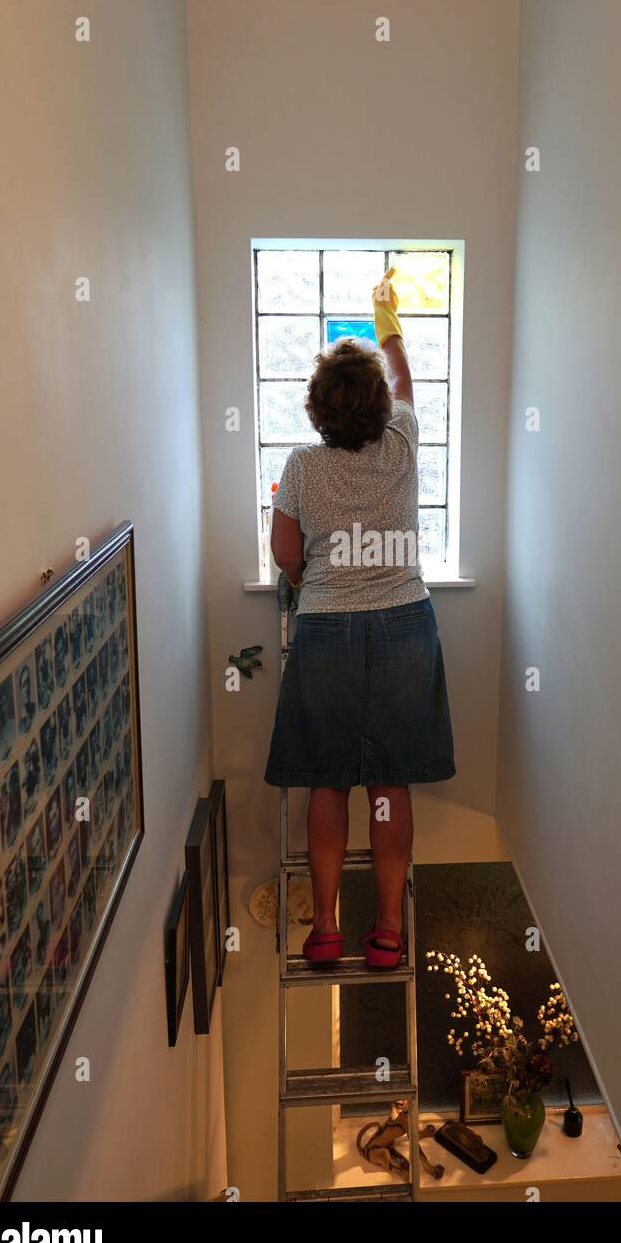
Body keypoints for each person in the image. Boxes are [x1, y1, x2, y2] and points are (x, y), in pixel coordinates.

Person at [265, 269, 456, 969]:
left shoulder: (301, 467)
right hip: (406, 627)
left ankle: (323, 927)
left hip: (327, 635)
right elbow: (406, 383)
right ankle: (386, 929)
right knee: (388, 783)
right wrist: (386, 321)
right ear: (377, 406)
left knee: (327, 779)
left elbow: (286, 553)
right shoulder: (402, 440)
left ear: (318, 409)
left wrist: (308, 580)